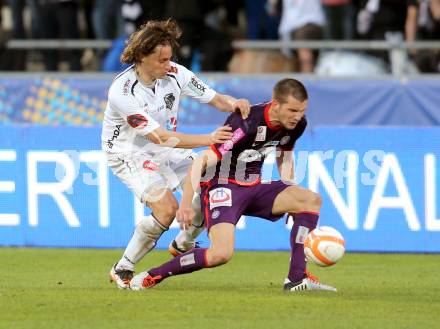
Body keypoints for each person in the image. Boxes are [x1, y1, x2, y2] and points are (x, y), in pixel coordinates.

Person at [129, 78, 337, 292]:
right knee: (221, 254)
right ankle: (152, 275)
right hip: (222, 186)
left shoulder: (296, 125)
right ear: (275, 104)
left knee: (310, 200)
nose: (298, 116)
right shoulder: (246, 122)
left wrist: (290, 190)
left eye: (302, 111)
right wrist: (185, 205)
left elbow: (284, 155)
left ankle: (296, 279)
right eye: (293, 110)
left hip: (254, 185)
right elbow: (201, 162)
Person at [102, 19, 250, 289]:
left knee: (210, 181)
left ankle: (184, 243)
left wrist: (234, 103)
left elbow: (215, 98)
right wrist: (208, 139)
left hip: (166, 150)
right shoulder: (122, 92)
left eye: (170, 58)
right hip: (129, 153)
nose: (168, 65)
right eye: (161, 60)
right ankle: (123, 267)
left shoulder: (176, 74)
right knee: (167, 208)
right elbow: (158, 135)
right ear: (142, 56)